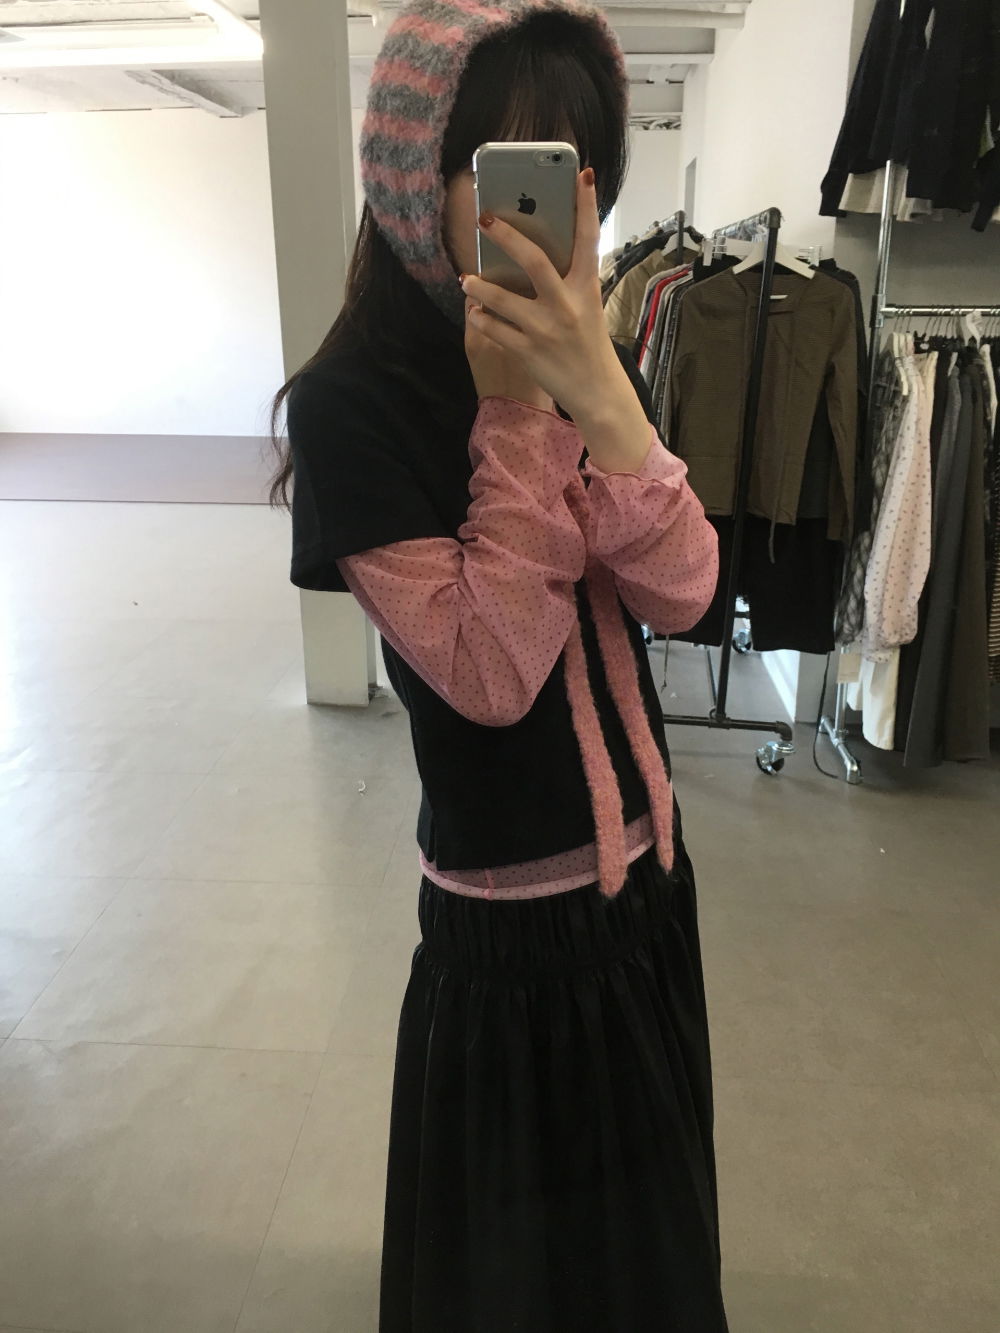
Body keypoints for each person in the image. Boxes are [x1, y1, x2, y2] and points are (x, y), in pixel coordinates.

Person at [269, 1, 728, 1328]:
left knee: (655, 1278)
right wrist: (521, 412)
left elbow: (688, 593)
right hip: (510, 947)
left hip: (652, 901)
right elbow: (490, 672)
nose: (543, 211)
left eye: (571, 168)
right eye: (501, 165)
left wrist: (604, 394)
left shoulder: (599, 356)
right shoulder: (353, 406)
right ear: (419, 183)